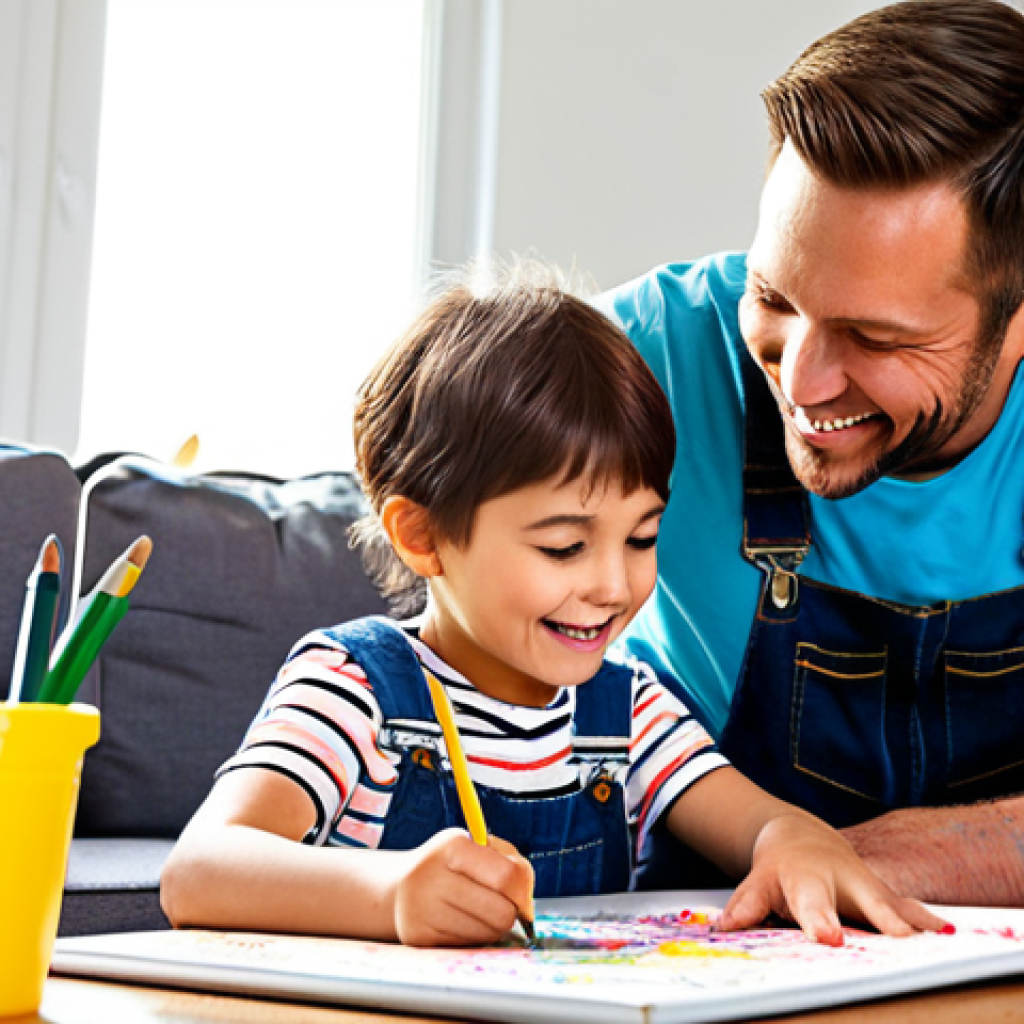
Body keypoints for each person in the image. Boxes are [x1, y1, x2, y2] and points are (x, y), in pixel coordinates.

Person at [159, 262, 944, 947]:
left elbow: (765, 823)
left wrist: (795, 845)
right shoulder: (354, 689)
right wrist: (390, 893)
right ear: (424, 535)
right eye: (564, 547)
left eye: (641, 538)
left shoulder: (630, 713)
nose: (611, 585)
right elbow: (199, 871)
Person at [601, 0, 1024, 906]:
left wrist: (887, 859)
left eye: (876, 337)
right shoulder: (638, 356)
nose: (803, 380)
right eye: (775, 296)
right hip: (703, 946)